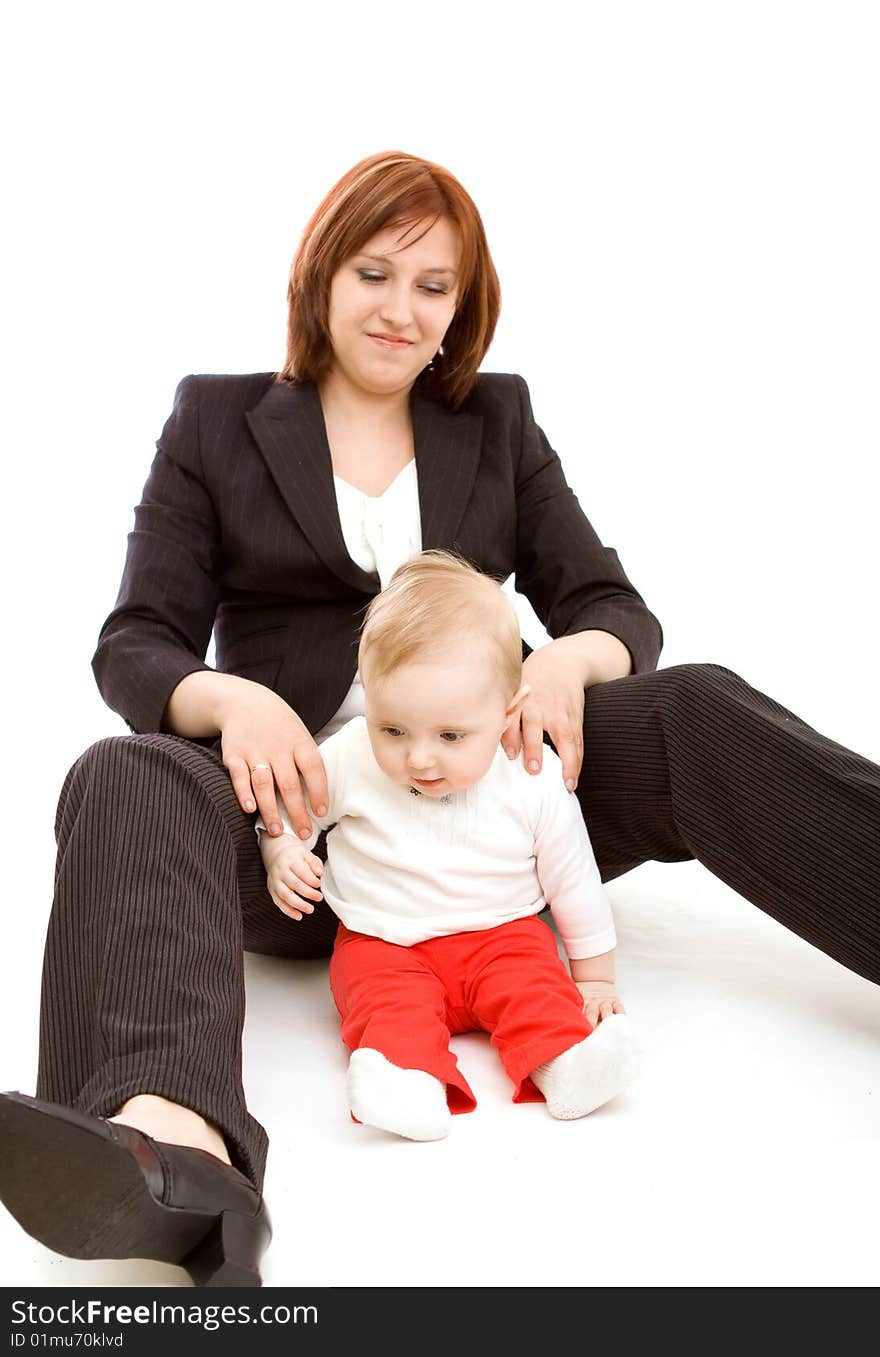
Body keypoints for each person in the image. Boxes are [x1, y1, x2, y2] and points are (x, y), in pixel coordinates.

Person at [0, 148, 877, 1289]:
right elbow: (136, 640)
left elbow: (611, 603)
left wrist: (573, 656)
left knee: (690, 704)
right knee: (125, 771)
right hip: (307, 830)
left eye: (432, 285)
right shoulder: (215, 423)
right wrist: (232, 699)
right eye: (374, 273)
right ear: (320, 277)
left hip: (494, 801)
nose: (400, 308)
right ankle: (174, 1154)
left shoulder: (493, 421)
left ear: (462, 307)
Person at [259, 551, 641, 1141]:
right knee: (384, 1006)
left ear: (508, 710)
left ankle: (567, 1061)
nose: (419, 758)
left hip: (502, 935)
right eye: (394, 729)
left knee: (537, 985)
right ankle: (402, 1079)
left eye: (450, 735)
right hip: (384, 942)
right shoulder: (352, 754)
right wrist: (282, 853)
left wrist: (595, 980)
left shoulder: (530, 771)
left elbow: (573, 880)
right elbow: (289, 809)